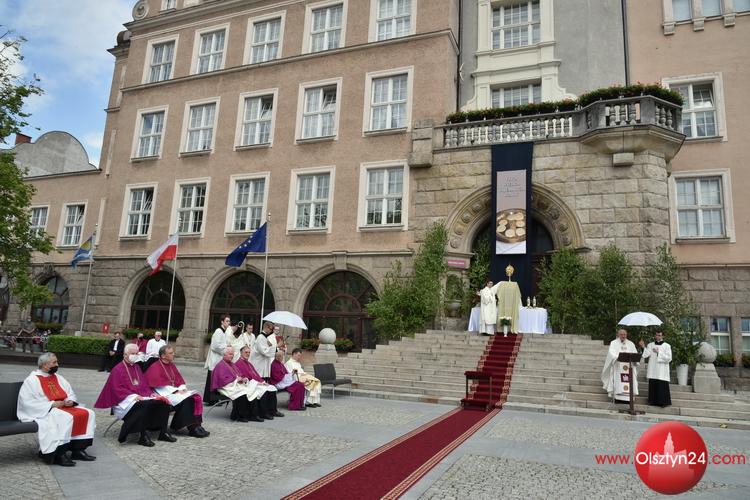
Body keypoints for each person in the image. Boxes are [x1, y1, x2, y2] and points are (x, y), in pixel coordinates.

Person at [17, 353, 97, 466]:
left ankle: (78, 450)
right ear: (45, 365)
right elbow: (27, 402)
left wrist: (70, 401)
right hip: (46, 409)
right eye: (54, 362)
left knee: (89, 413)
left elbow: (70, 392)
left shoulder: (58, 377)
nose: (57, 365)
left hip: (63, 406)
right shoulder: (32, 380)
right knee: (65, 418)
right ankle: (59, 454)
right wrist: (52, 404)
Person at [95, 344, 175, 447]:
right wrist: (133, 397)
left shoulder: (137, 367)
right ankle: (142, 436)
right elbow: (117, 389)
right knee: (144, 405)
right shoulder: (117, 369)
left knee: (163, 403)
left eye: (137, 353)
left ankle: (163, 432)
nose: (135, 355)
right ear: (125, 355)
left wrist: (151, 394)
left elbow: (144, 385)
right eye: (133, 353)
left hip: (140, 398)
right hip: (124, 402)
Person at [145, 345, 210, 437]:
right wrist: (175, 391)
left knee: (194, 398)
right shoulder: (155, 367)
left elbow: (179, 380)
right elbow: (157, 387)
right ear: (163, 356)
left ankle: (197, 426)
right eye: (171, 353)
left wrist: (182, 389)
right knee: (186, 400)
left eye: (173, 352)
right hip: (163, 394)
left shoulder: (171, 365)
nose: (173, 354)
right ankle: (192, 428)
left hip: (174, 393)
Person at [211, 347, 263, 422]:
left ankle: (252, 415)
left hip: (234, 385)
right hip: (225, 387)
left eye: (232, 354)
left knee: (251, 391)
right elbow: (222, 380)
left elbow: (239, 375)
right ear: (224, 355)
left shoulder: (232, 364)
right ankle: (240, 416)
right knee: (242, 393)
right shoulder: (220, 365)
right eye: (230, 354)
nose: (232, 356)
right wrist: (236, 380)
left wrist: (242, 379)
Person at [236, 345, 281, 420]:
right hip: (249, 384)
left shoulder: (249, 363)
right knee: (263, 390)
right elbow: (245, 378)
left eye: (249, 352)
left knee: (271, 388)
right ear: (241, 353)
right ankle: (264, 413)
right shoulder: (238, 363)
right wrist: (258, 383)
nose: (248, 354)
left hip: (255, 383)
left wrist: (263, 381)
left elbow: (256, 375)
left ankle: (273, 411)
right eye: (246, 352)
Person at [601, 329, 639, 404]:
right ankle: (618, 398)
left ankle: (629, 399)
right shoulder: (613, 343)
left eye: (624, 334)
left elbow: (635, 353)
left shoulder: (631, 344)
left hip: (629, 367)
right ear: (618, 335)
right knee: (619, 382)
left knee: (629, 382)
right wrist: (617, 357)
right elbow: (611, 353)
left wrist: (635, 359)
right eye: (621, 334)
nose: (623, 336)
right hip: (618, 367)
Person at [204, 315, 235, 404]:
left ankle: (215, 399)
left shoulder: (223, 332)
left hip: (219, 359)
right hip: (215, 359)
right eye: (227, 321)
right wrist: (226, 348)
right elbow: (215, 346)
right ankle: (210, 399)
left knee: (216, 379)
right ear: (222, 322)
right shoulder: (218, 331)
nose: (228, 323)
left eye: (229, 321)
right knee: (212, 379)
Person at [639, 331, 672, 407]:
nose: (658, 336)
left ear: (663, 336)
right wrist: (643, 346)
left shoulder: (667, 346)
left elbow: (669, 358)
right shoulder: (651, 345)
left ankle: (663, 402)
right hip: (653, 368)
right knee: (653, 384)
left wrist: (658, 352)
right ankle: (652, 401)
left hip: (662, 370)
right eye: (656, 335)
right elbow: (646, 354)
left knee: (662, 385)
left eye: (659, 335)